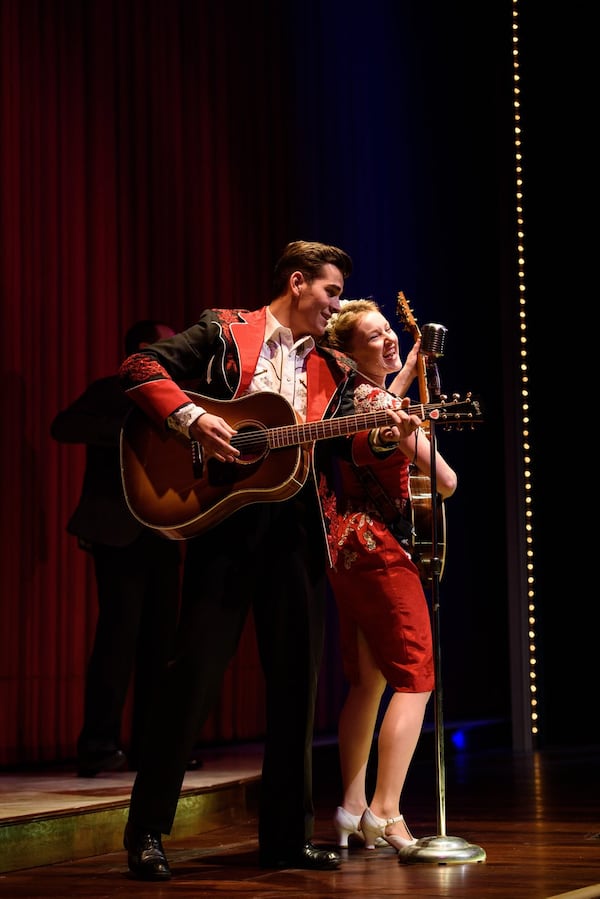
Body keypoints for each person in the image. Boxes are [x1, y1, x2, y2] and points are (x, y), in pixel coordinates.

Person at [117, 241, 422, 880]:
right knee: (192, 673)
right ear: (297, 283)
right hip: (225, 521)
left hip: (296, 530)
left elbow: (348, 445)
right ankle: (145, 829)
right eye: (331, 292)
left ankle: (285, 839)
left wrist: (388, 429)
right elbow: (141, 366)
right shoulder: (226, 330)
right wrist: (192, 419)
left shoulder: (333, 368)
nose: (335, 306)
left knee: (297, 684)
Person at [319, 298, 457, 854]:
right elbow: (444, 482)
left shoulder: (348, 399)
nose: (389, 340)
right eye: (375, 337)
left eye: (389, 333)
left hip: (344, 547)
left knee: (368, 682)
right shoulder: (382, 409)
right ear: (349, 353)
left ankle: (350, 808)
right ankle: (386, 810)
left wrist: (410, 367)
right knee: (415, 678)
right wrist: (425, 440)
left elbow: (381, 398)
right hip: (380, 550)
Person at [50, 319, 183, 777]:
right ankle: (98, 745)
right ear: (145, 350)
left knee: (162, 644)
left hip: (164, 530)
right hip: (117, 531)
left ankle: (151, 749)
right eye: (169, 346)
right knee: (117, 638)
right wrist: (134, 427)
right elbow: (63, 427)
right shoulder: (112, 390)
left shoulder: (179, 397)